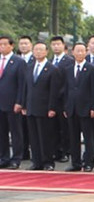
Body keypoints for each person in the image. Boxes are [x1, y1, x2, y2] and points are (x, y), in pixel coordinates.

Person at [23, 42, 63, 170]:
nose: (38, 52)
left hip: (45, 108)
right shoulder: (29, 67)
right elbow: (26, 88)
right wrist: (24, 104)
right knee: (33, 137)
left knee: (45, 136)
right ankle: (37, 161)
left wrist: (52, 108)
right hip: (31, 107)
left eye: (41, 50)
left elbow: (54, 91)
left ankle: (48, 162)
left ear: (46, 52)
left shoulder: (52, 69)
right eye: (36, 50)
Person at [62, 42, 94, 172]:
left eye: (82, 51)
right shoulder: (68, 69)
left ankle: (88, 163)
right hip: (71, 108)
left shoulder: (91, 69)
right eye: (77, 51)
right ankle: (75, 163)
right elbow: (65, 90)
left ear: (86, 52)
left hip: (86, 108)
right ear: (73, 52)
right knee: (73, 137)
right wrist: (65, 107)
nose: (80, 53)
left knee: (88, 138)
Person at [0, 34, 27, 170]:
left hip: (13, 103)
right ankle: (3, 157)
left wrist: (19, 102)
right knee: (2, 132)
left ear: (11, 46)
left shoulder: (18, 61)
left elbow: (22, 84)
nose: (2, 47)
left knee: (16, 132)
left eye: (5, 44)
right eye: (0, 44)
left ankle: (16, 158)